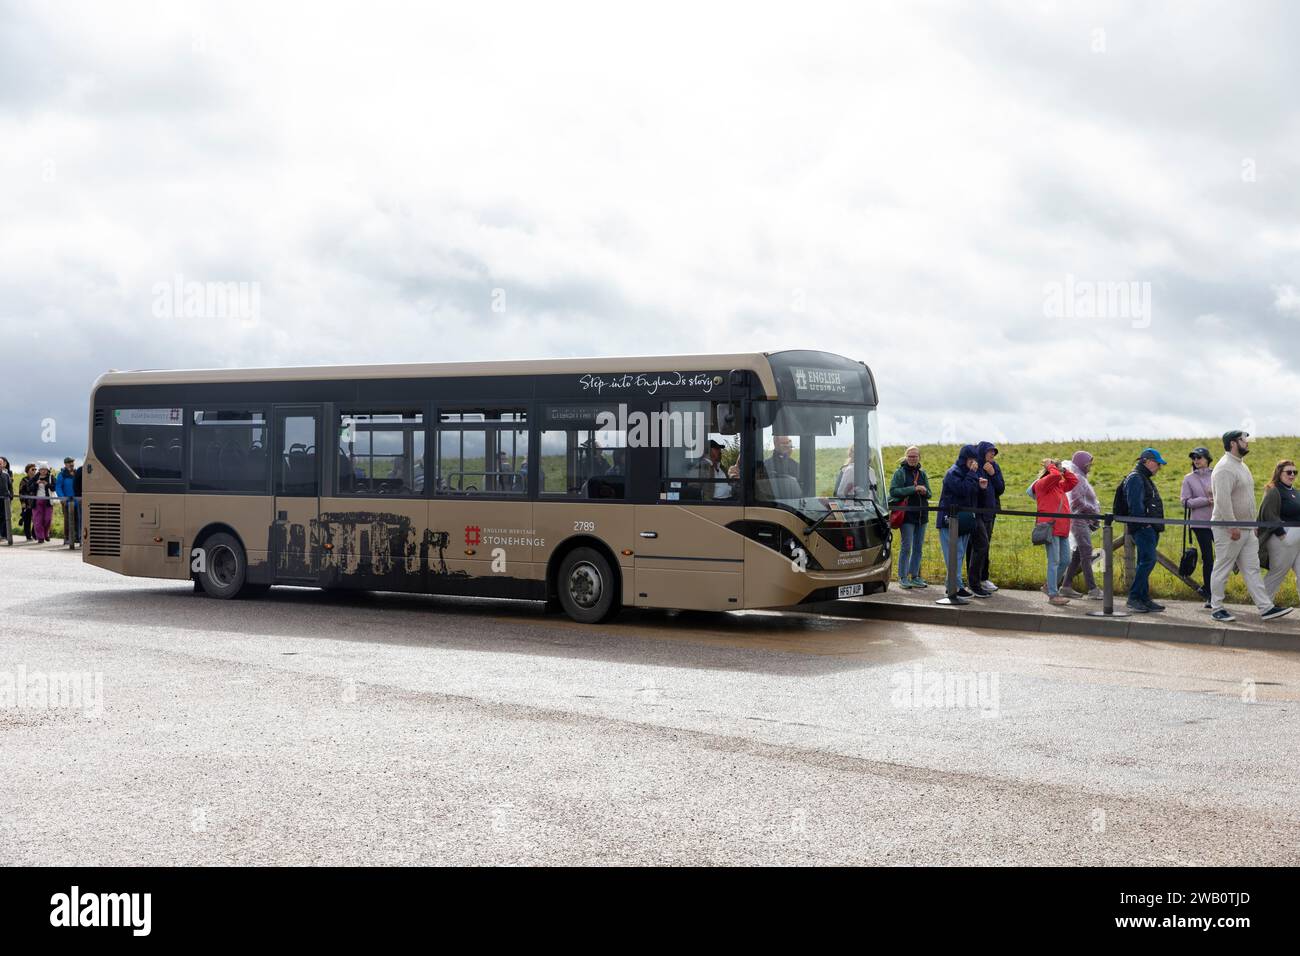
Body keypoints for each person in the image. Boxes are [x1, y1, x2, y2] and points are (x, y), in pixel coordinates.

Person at [1208, 430, 1291, 623]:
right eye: (1242, 439)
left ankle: (1265, 607)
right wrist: (1232, 526)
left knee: (1252, 569)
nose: (1247, 442)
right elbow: (1222, 500)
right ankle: (1216, 608)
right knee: (1223, 567)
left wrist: (1251, 525)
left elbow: (1247, 499)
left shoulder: (1241, 466)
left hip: (1246, 529)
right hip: (1228, 529)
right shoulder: (1225, 468)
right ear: (1232, 443)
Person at [935, 444, 985, 602]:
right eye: (971, 460)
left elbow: (971, 494)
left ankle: (955, 585)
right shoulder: (953, 473)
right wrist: (972, 475)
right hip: (949, 520)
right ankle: (953, 588)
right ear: (965, 459)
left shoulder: (969, 473)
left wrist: (981, 487)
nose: (974, 463)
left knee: (960, 553)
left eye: (975, 460)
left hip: (964, 520)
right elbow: (961, 490)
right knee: (953, 555)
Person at [1120, 448, 1168, 613]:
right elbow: (1135, 505)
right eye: (1157, 463)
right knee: (1148, 560)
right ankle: (1134, 598)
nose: (1159, 467)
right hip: (1144, 527)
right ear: (1146, 461)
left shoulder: (1142, 477)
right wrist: (1144, 524)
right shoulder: (1136, 478)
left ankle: (1144, 598)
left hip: (1148, 526)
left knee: (1144, 561)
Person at [1032, 458, 1079, 606]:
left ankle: (1048, 586)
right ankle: (1053, 594)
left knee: (1065, 560)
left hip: (1062, 528)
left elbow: (1073, 482)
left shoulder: (1058, 486)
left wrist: (1064, 470)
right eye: (1056, 469)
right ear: (1049, 470)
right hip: (1050, 527)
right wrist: (1052, 467)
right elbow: (1054, 476)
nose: (1058, 472)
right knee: (1054, 561)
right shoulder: (1041, 485)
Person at [1061, 450, 1102, 599]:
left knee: (1078, 554)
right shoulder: (1078, 478)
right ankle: (1092, 589)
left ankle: (1066, 586)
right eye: (1088, 463)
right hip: (1079, 521)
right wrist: (1093, 510)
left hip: (1082, 520)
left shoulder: (1081, 478)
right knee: (1086, 553)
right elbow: (1076, 500)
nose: (1090, 466)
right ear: (1082, 464)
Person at [1257, 459, 1300, 602]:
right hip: (1282, 538)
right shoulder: (1273, 490)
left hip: (1297, 539)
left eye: (1295, 472)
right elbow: (1268, 514)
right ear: (1279, 473)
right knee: (1278, 573)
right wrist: (1282, 535)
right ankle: (1265, 605)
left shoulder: (1296, 492)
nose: (1292, 475)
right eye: (1288, 472)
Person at [889, 446, 931, 588]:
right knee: (906, 547)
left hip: (922, 515)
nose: (913, 459)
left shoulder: (922, 474)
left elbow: (930, 493)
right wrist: (914, 489)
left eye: (915, 456)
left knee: (918, 547)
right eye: (910, 456)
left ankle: (915, 576)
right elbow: (893, 491)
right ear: (906, 457)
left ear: (919, 457)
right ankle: (902, 577)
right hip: (907, 515)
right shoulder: (899, 473)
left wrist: (925, 492)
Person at [967, 441, 1004, 594]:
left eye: (994, 452)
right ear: (982, 452)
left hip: (990, 512)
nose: (992, 454)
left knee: (985, 545)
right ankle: (973, 582)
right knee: (977, 546)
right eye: (990, 451)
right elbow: (971, 488)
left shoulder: (994, 467)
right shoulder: (974, 465)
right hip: (977, 513)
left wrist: (993, 474)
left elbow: (1000, 488)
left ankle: (983, 578)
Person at [1180, 447, 1215, 603]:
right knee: (1208, 557)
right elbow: (1185, 502)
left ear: (1207, 458)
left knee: (1224, 557)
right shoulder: (1188, 478)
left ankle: (1214, 590)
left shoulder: (1217, 474)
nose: (1196, 460)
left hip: (1219, 522)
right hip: (1200, 524)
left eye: (1199, 457)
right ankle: (1209, 593)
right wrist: (1206, 501)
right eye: (1194, 458)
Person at [55, 456, 79, 548]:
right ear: (65, 464)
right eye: (69, 462)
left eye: (72, 462)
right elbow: (58, 487)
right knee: (68, 520)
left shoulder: (77, 473)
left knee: (78, 519)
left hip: (77, 501)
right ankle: (67, 538)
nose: (71, 464)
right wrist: (62, 498)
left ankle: (77, 537)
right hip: (67, 501)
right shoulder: (62, 474)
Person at [29, 465, 56, 543]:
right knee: (37, 520)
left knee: (47, 519)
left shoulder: (51, 477)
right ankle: (40, 537)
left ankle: (46, 533)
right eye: (42, 469)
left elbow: (54, 487)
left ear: (47, 470)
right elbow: (29, 487)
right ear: (39, 470)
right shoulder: (35, 477)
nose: (43, 471)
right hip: (37, 501)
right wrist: (36, 483)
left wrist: (47, 484)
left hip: (48, 501)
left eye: (45, 469)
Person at [18, 463, 37, 541]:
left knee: (36, 519)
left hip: (35, 503)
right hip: (27, 503)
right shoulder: (24, 480)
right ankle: (28, 536)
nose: (34, 471)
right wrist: (23, 503)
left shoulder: (37, 479)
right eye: (32, 469)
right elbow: (21, 492)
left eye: (35, 469)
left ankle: (34, 534)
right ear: (28, 471)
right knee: (27, 520)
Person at [0, 457, 13, 545]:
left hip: (5, 500)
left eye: (0, 464)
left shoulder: (6, 475)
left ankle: (3, 535)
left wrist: (10, 496)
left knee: (5, 517)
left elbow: (10, 487)